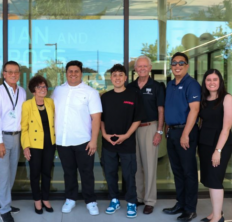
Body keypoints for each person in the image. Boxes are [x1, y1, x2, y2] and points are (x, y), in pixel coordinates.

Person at [51, 60, 102, 216]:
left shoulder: (90, 92)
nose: (73, 74)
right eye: (70, 71)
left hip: (83, 140)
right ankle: (70, 198)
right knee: (68, 172)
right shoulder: (57, 91)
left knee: (86, 172)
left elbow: (96, 118)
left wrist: (93, 140)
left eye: (76, 71)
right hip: (62, 140)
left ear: (81, 73)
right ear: (66, 73)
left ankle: (90, 201)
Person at [101, 64, 143, 218]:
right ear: (111, 78)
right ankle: (114, 200)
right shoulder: (105, 97)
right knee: (110, 172)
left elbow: (137, 119)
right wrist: (104, 135)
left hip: (127, 143)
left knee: (129, 174)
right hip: (108, 143)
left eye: (120, 75)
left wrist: (125, 136)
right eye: (114, 75)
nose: (117, 78)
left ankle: (131, 202)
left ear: (125, 78)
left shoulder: (134, 96)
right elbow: (101, 119)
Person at [163, 52, 201, 221]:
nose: (177, 66)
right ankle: (180, 203)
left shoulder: (191, 84)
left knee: (189, 172)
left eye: (181, 63)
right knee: (177, 171)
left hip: (186, 132)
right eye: (174, 63)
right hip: (172, 132)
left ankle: (190, 208)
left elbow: (194, 110)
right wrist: (166, 127)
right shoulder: (170, 84)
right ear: (171, 66)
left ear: (187, 66)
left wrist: (185, 134)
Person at [127, 55, 165, 215]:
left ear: (149, 68)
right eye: (139, 66)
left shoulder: (157, 86)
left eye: (145, 66)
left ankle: (150, 200)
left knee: (149, 166)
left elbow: (161, 110)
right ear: (135, 69)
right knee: (135, 166)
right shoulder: (129, 87)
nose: (142, 69)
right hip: (132, 130)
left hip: (150, 127)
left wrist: (159, 131)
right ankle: (139, 197)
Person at [0, 61, 26, 222]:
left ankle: (1, 203)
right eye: (9, 71)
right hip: (2, 137)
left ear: (19, 74)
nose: (13, 74)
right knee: (3, 174)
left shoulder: (22, 92)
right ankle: (5, 210)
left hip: (17, 136)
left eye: (16, 72)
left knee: (11, 173)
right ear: (3, 74)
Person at [198, 69, 232, 222]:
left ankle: (218, 217)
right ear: (205, 82)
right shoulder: (204, 99)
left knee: (215, 180)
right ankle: (215, 213)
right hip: (205, 143)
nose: (211, 82)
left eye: (215, 79)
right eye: (208, 80)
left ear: (220, 81)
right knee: (209, 180)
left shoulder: (227, 98)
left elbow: (226, 128)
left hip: (220, 144)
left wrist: (217, 151)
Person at [21, 75, 56, 214]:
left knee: (47, 172)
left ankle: (45, 198)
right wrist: (26, 146)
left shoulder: (50, 102)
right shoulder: (27, 105)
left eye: (44, 86)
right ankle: (37, 200)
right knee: (35, 173)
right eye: (39, 87)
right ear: (33, 90)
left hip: (49, 144)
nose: (43, 89)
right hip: (34, 145)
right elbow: (24, 128)